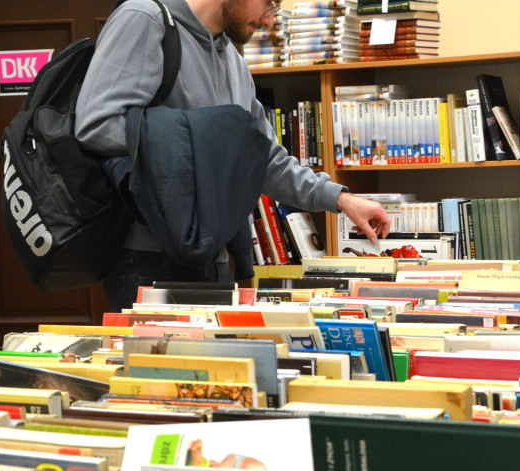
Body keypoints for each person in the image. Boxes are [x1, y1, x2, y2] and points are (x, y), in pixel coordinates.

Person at [75, 0, 391, 312]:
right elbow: (97, 124)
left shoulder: (233, 59)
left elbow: (261, 158)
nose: (270, 21)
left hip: (214, 258)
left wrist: (342, 200)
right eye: (269, 3)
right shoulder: (144, 19)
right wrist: (201, 156)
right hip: (148, 260)